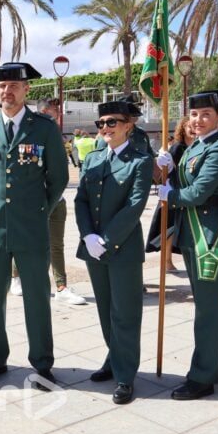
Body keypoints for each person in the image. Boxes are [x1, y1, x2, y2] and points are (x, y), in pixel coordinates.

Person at [0, 62, 69, 390]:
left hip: (31, 228)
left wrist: (38, 211)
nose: (7, 91)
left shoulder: (44, 128)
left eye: (14, 85)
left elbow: (59, 179)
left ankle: (42, 364)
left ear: (27, 90)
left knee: (37, 299)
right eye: (2, 86)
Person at [156, 91, 218, 400]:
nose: (198, 120)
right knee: (213, 301)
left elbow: (198, 193)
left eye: (206, 114)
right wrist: (169, 164)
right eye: (194, 115)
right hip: (193, 231)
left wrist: (171, 194)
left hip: (209, 235)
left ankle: (202, 377)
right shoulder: (198, 145)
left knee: (207, 306)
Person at [76, 101, 153, 404]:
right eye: (101, 124)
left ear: (128, 126)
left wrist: (105, 239)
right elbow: (81, 200)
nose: (105, 128)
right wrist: (87, 235)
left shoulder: (140, 161)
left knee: (125, 314)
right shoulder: (93, 158)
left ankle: (125, 375)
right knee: (106, 311)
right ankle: (113, 359)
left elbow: (134, 207)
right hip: (93, 247)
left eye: (112, 122)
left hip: (121, 248)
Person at [10, 98, 85, 305]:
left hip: (56, 200)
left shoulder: (55, 134)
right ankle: (15, 278)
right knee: (24, 241)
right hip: (33, 201)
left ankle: (61, 286)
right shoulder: (28, 134)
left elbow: (61, 171)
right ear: (43, 111)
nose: (58, 114)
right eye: (54, 111)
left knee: (56, 244)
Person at [146, 115, 196, 271]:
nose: (193, 130)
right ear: (183, 129)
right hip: (173, 191)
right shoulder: (176, 148)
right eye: (189, 127)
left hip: (189, 193)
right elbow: (166, 171)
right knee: (169, 229)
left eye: (194, 127)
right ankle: (166, 260)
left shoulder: (198, 146)